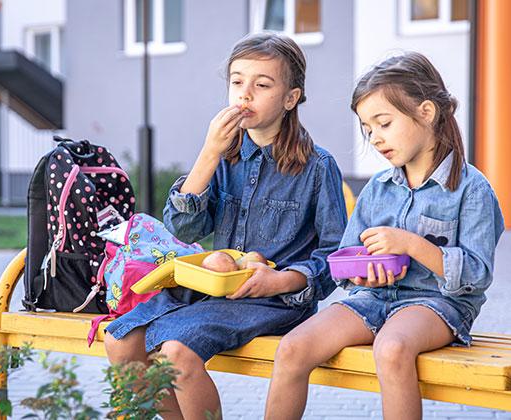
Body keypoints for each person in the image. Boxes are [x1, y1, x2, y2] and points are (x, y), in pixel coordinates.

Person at [103, 32, 347, 419]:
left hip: (276, 300)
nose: (244, 94)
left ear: (291, 98)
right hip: (212, 290)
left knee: (175, 352)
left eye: (262, 84)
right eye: (237, 82)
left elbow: (336, 255)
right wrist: (209, 152)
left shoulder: (318, 167)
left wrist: (284, 280)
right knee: (119, 342)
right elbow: (183, 230)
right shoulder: (224, 157)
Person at [264, 51, 505, 420]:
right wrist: (360, 272)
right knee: (294, 347)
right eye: (368, 128)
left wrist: (410, 245)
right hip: (373, 299)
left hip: (437, 305)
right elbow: (346, 258)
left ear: (426, 112)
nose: (375, 138)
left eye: (384, 123)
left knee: (391, 348)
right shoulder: (377, 188)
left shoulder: (471, 189)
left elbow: (476, 275)